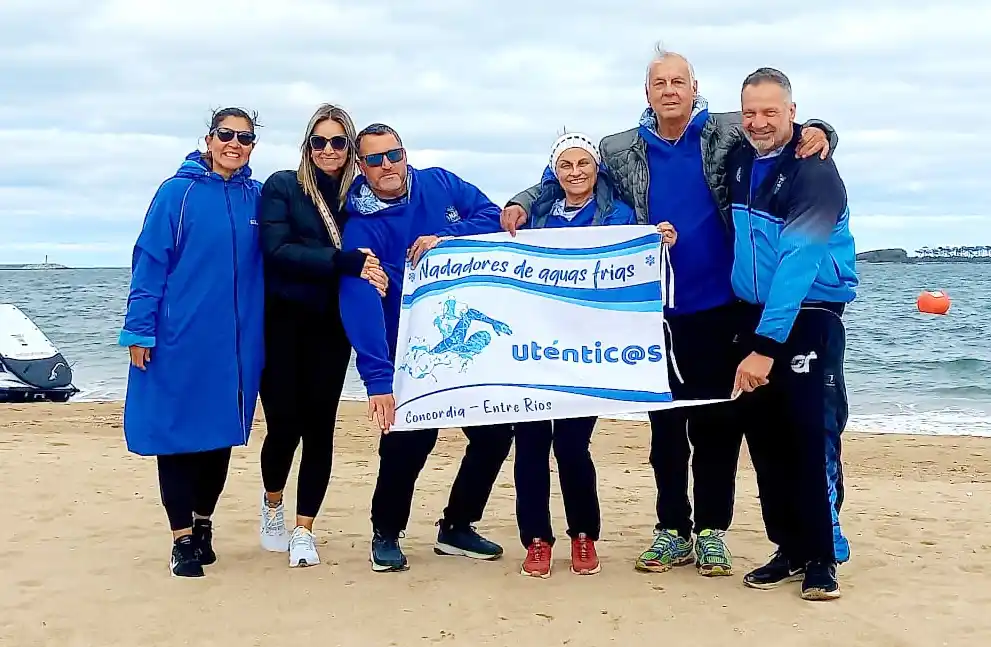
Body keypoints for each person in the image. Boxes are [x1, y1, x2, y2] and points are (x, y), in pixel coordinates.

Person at [501, 45, 839, 578]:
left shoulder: (728, 131)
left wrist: (823, 129)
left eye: (678, 81)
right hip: (653, 310)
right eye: (660, 83)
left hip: (723, 307)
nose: (669, 91)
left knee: (718, 425)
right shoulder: (619, 148)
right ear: (647, 92)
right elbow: (566, 175)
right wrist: (523, 202)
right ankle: (670, 529)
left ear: (694, 85)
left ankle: (711, 532)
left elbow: (783, 131)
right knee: (665, 431)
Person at [337, 123, 515, 573]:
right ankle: (386, 533)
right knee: (407, 444)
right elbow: (360, 305)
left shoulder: (439, 182)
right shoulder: (360, 224)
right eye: (374, 160)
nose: (387, 166)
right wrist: (377, 380)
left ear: (404, 153)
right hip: (409, 354)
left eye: (393, 155)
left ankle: (456, 526)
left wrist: (448, 241)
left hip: (464, 348)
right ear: (361, 166)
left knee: (494, 434)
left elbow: (493, 216)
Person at [509, 132, 678, 578]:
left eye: (583, 163)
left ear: (596, 166)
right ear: (554, 171)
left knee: (571, 445)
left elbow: (634, 254)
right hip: (533, 347)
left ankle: (584, 535)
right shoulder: (537, 214)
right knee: (528, 445)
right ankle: (537, 540)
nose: (576, 172)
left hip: (586, 350)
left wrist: (654, 238)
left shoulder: (616, 212)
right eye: (566, 165)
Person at [727, 67, 856, 601]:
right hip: (753, 313)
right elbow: (676, 120)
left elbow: (798, 263)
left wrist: (765, 347)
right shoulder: (738, 159)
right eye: (749, 113)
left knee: (811, 437)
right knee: (767, 443)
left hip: (809, 315)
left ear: (793, 111)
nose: (758, 122)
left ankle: (822, 556)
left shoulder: (815, 171)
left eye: (770, 113)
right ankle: (788, 547)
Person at [118, 107, 265, 577]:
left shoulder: (257, 198)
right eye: (226, 134)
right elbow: (150, 261)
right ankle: (181, 539)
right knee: (177, 440)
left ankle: (204, 525)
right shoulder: (175, 193)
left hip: (235, 347)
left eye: (244, 137)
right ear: (209, 138)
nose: (234, 144)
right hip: (179, 339)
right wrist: (139, 328)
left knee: (217, 439)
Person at [256, 104, 388, 567]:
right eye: (319, 141)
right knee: (284, 428)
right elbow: (277, 250)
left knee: (320, 430)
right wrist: (342, 261)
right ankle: (273, 502)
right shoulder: (283, 187)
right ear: (306, 146)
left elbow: (385, 238)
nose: (328, 150)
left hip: (332, 326)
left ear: (350, 148)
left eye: (338, 142)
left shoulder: (359, 197)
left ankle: (303, 529)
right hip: (283, 321)